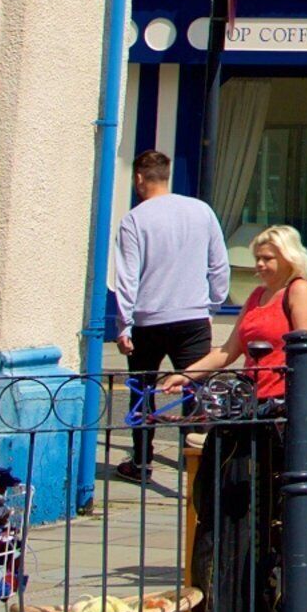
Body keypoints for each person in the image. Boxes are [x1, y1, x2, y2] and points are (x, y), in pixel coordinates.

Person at [164, 225, 307, 612]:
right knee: (225, 518)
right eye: (258, 258)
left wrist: (298, 404)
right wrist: (185, 375)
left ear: (288, 258)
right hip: (247, 411)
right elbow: (229, 351)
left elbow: (305, 350)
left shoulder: (299, 290)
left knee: (268, 520)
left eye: (268, 258)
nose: (260, 266)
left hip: (278, 414)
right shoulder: (255, 297)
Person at [109, 150, 229, 483]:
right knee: (196, 390)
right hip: (192, 318)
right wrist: (212, 306)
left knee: (143, 392)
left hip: (147, 320)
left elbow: (127, 277)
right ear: (167, 175)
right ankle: (198, 466)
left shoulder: (134, 220)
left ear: (138, 179)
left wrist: (124, 325)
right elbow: (219, 265)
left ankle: (141, 462)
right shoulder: (201, 211)